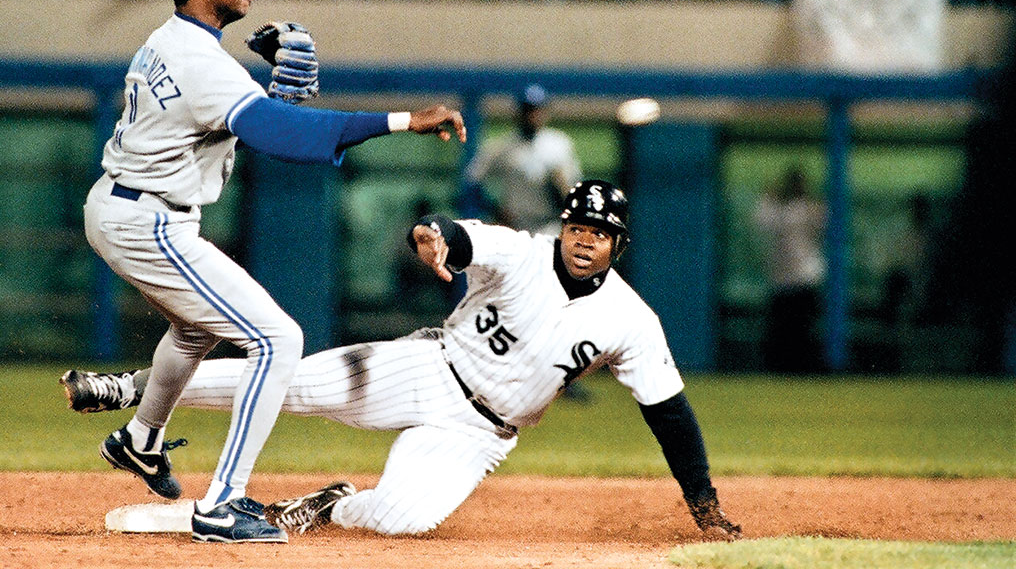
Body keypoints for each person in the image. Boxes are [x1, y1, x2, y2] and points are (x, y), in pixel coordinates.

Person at [63, 180, 743, 540]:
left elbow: (670, 413)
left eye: (601, 234)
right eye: (578, 227)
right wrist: (434, 238)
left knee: (402, 520)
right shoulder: (524, 251)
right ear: (563, 227)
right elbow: (457, 234)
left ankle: (326, 507)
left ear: (617, 246)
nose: (586, 241)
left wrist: (702, 500)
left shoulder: (631, 320)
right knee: (292, 382)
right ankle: (127, 388)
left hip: (479, 434)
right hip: (426, 367)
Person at [82, 0, 466, 545]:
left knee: (193, 329)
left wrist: (263, 90)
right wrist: (401, 120)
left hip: (129, 207)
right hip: (145, 219)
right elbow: (290, 138)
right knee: (277, 340)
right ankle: (223, 504)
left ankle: (142, 439)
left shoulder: (172, 41)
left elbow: (228, 112)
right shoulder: (200, 64)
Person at [465, 83, 580, 236]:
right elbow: (472, 181)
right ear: (518, 111)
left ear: (545, 111)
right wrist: (493, 208)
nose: (532, 114)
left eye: (536, 109)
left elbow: (573, 191)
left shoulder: (559, 144)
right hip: (516, 226)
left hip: (551, 224)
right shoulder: (503, 146)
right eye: (527, 109)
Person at [753, 166, 826, 374]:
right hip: (782, 280)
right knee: (781, 331)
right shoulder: (779, 209)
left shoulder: (808, 208)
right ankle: (780, 369)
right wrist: (769, 197)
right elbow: (761, 221)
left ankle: (804, 370)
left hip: (805, 278)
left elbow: (823, 220)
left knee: (803, 330)